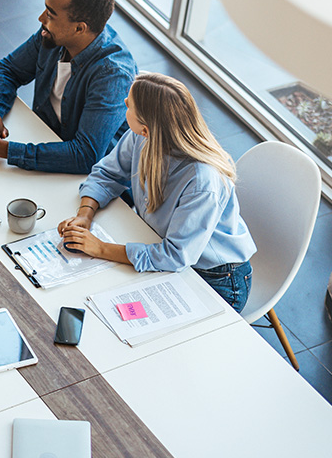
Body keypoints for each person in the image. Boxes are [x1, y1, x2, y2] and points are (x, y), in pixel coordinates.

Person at [57, 73, 256, 311]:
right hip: (159, 245)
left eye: (130, 103)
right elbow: (107, 174)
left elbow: (174, 256)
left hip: (216, 278)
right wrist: (85, 215)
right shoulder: (142, 137)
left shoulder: (203, 182)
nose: (124, 103)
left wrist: (100, 248)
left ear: (147, 127)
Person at [0, 0, 136, 173]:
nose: (41, 18)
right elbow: (8, 70)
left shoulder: (112, 75)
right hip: (46, 144)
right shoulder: (51, 35)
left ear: (79, 29)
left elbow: (85, 155)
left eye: (50, 15)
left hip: (93, 179)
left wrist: (3, 149)